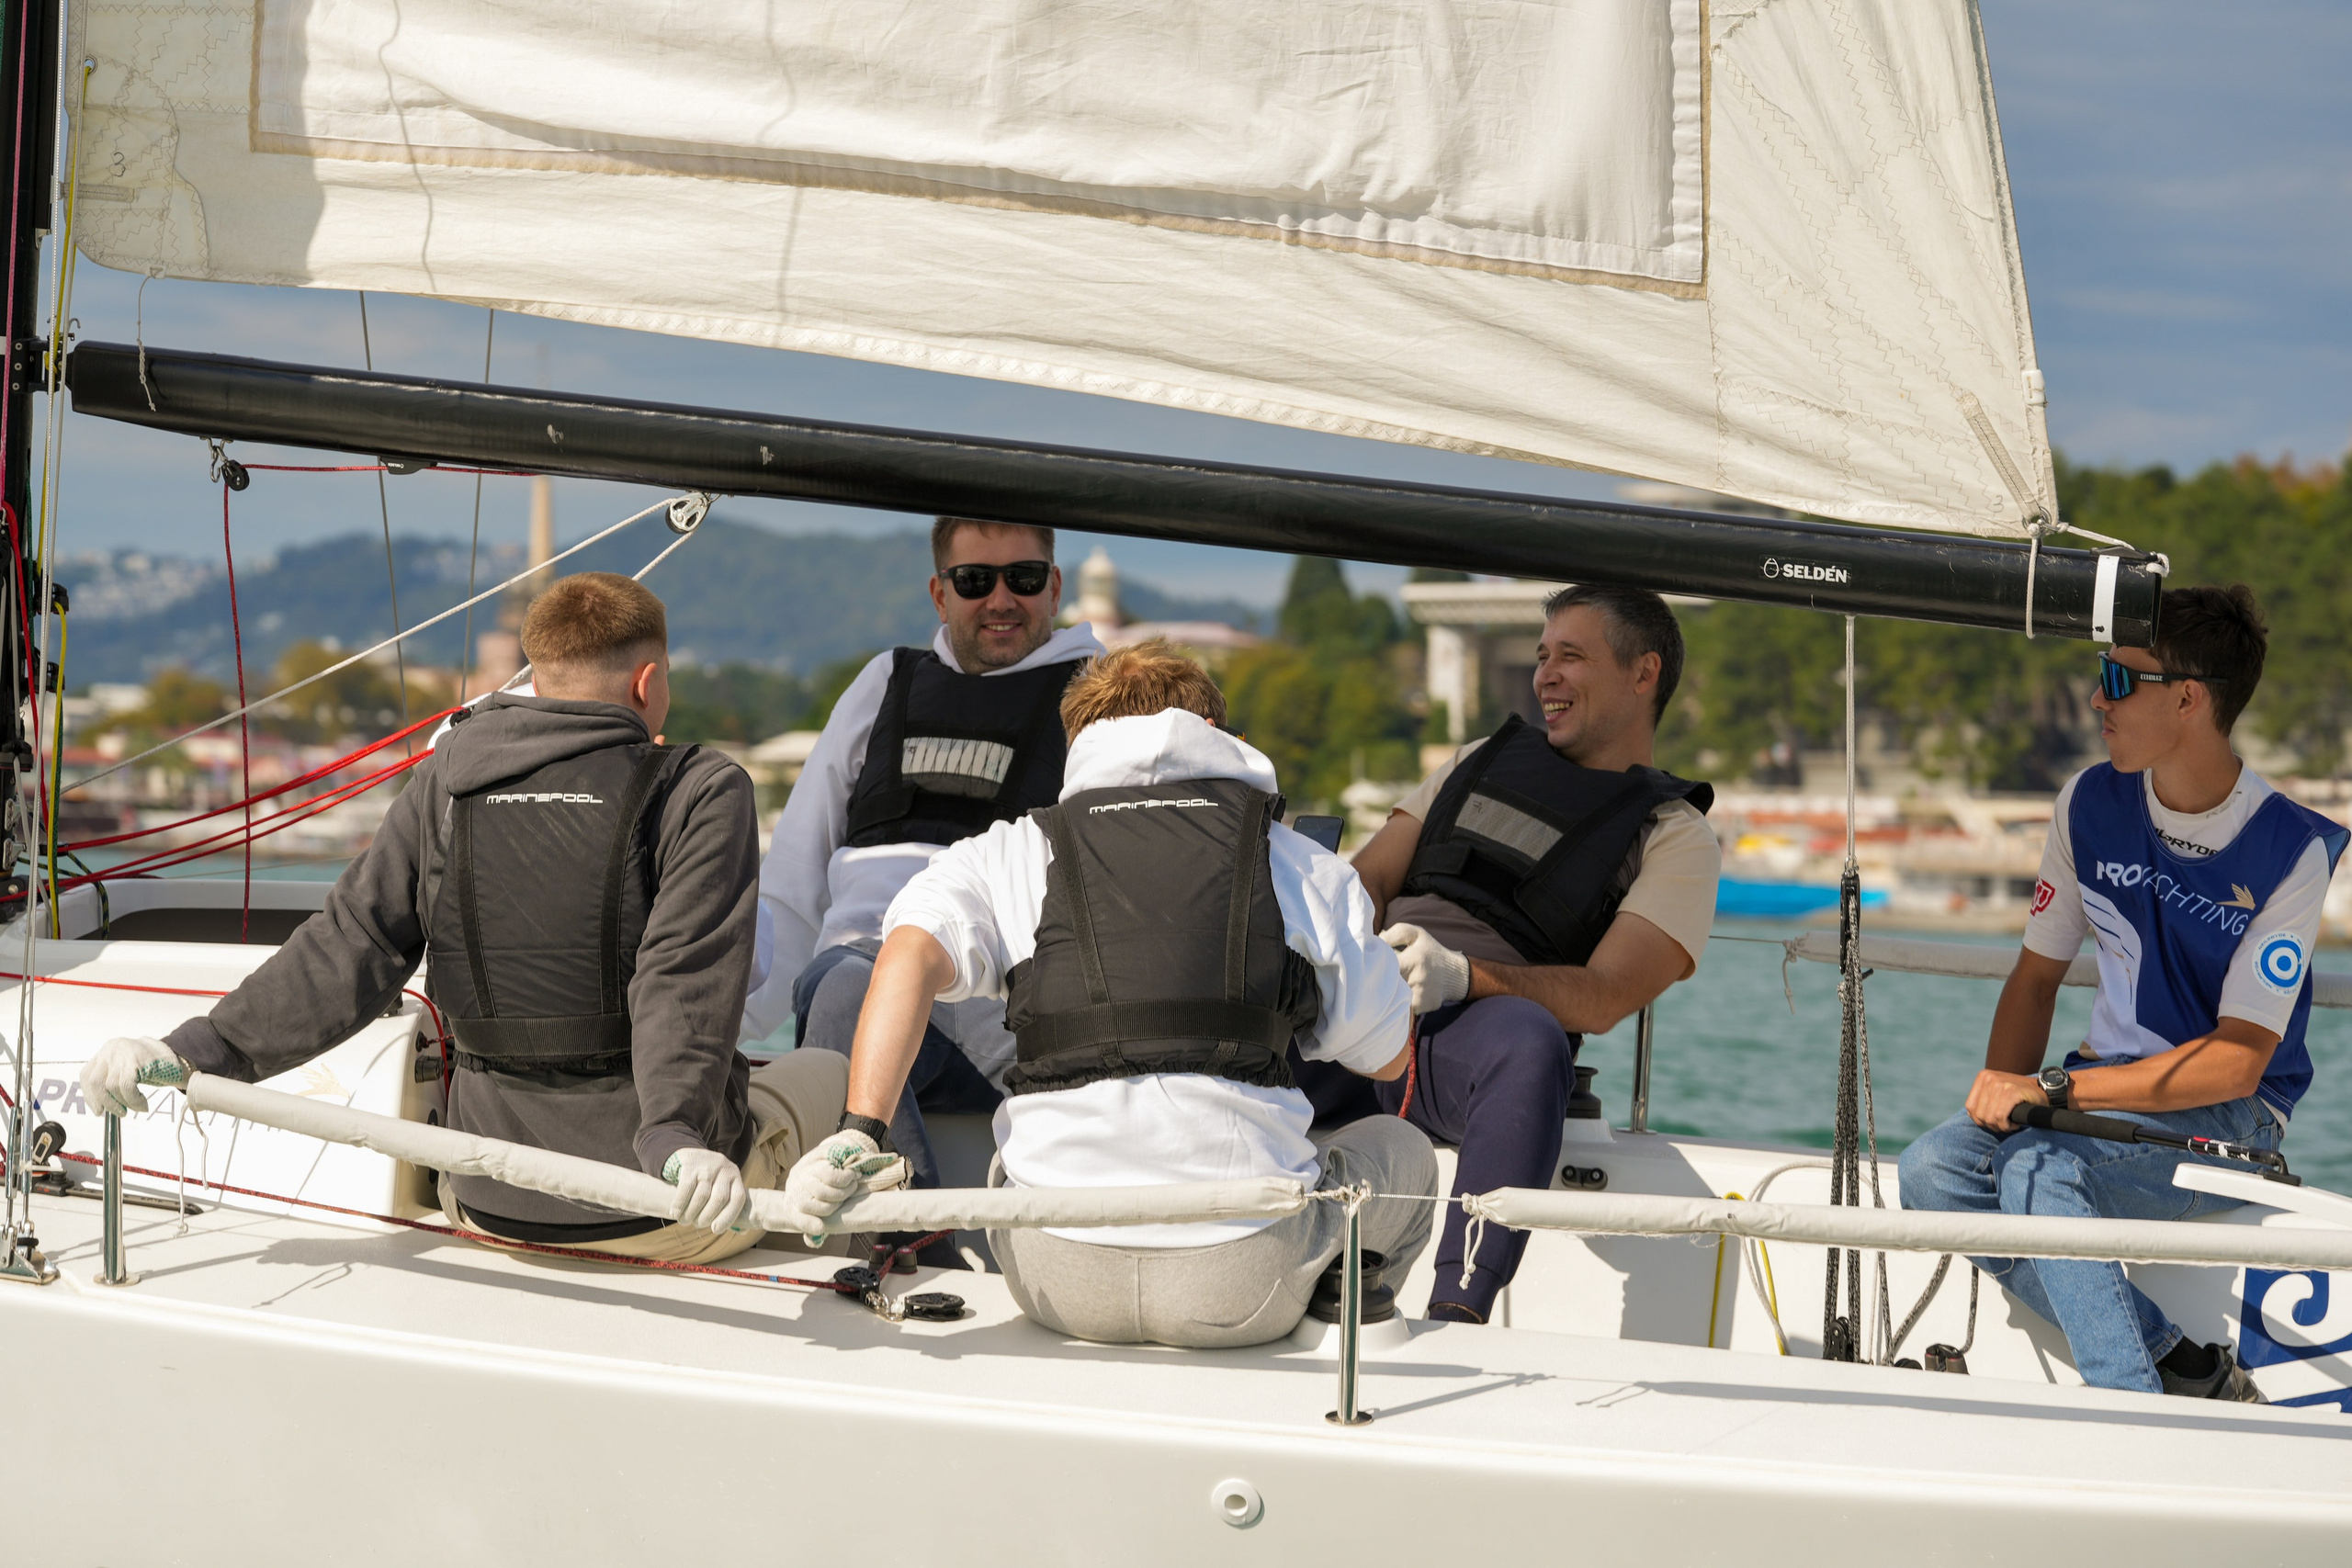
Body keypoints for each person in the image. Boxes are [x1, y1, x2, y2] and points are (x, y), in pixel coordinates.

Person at [80, 573, 844, 1265]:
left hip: (485, 1201)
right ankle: (906, 1258)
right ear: (649, 682)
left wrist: (192, 1049)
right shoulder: (701, 788)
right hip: (659, 1208)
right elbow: (681, 978)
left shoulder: (446, 779)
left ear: (536, 676)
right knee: (831, 1072)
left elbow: (352, 942)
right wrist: (674, 1134)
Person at [775, 642, 1438, 1348]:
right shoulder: (1301, 864)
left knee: (1014, 1150)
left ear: (1080, 741)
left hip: (1054, 1275)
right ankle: (1324, 1325)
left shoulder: (1009, 849)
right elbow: (1389, 1058)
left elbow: (904, 953)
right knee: (1403, 1150)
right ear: (1222, 736)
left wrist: (861, 1132)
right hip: (1243, 1284)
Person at [1899, 584, 2346, 1401]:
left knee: (2035, 1169)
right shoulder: (2088, 802)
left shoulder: (2293, 849)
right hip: (2103, 1094)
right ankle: (2180, 1364)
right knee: (1933, 1171)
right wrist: (1997, 1102)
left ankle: (2129, 1409)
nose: (2094, 697)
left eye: (2115, 677)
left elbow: (2241, 1064)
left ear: (2187, 698)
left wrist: (2051, 1091)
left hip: (2231, 1117)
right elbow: (2035, 981)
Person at [1340, 585, 1721, 1322]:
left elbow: (1607, 995)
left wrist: (1462, 977)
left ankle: (1457, 1311)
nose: (1545, 674)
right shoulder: (1480, 757)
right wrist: (1336, 954)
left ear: (1644, 674)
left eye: (1570, 656)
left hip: (1470, 1042)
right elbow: (1371, 876)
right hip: (1363, 1006)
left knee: (1531, 1045)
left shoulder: (1674, 834)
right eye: (1542, 655)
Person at [741, 518, 1104, 1207]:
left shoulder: (1095, 694)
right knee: (850, 984)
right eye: (975, 581)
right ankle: (910, 1234)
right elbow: (794, 870)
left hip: (1004, 1002)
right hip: (856, 991)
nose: (1001, 598)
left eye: (1023, 578)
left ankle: (897, 1238)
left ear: (1054, 587)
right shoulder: (887, 680)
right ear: (940, 595)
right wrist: (729, 1028)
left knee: (852, 987)